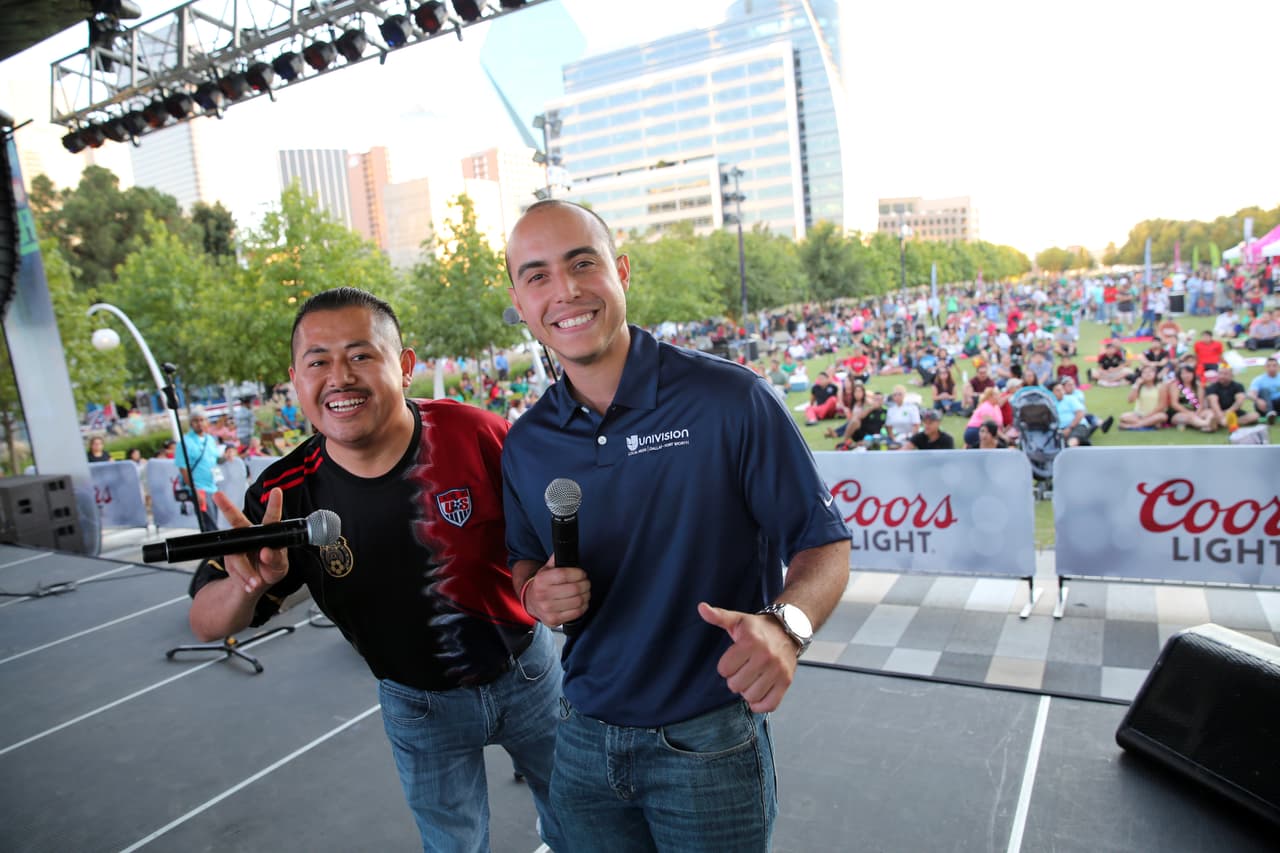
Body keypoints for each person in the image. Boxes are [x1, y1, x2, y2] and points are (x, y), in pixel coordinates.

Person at [500, 200, 851, 852]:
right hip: (577, 736)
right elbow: (523, 557)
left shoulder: (732, 400)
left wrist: (787, 626)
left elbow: (823, 543)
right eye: (537, 275)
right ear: (519, 302)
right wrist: (532, 592)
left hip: (708, 741)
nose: (565, 290)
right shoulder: (525, 444)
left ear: (621, 270)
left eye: (583, 264)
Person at [186, 288, 563, 852]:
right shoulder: (283, 495)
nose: (339, 377)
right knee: (452, 844)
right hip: (417, 706)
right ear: (296, 378)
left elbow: (554, 534)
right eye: (318, 361)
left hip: (528, 675)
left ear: (404, 366)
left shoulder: (476, 435)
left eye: (361, 355)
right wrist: (249, 585)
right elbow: (205, 622)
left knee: (584, 823)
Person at [180, 406, 225, 531]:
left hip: (213, 487)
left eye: (201, 420)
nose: (199, 423)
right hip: (199, 489)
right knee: (209, 525)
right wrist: (194, 491)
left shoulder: (210, 439)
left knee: (213, 521)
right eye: (196, 420)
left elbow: (216, 459)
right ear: (191, 423)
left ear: (206, 422)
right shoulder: (185, 442)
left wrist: (228, 456)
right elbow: (183, 469)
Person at [1206, 365, 1260, 431]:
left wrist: (1228, 413)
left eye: (1225, 374)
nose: (1222, 376)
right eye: (1220, 373)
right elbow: (1214, 403)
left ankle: (1225, 423)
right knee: (1211, 416)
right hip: (1217, 412)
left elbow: (1239, 402)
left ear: (1232, 375)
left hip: (1233, 412)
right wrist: (1221, 415)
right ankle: (1225, 422)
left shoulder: (1238, 386)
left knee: (1255, 416)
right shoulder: (1212, 387)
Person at [1118, 366, 1169, 430]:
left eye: (1151, 372)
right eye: (1145, 372)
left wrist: (1148, 416)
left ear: (1155, 374)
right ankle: (1149, 424)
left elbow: (1162, 405)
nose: (1148, 374)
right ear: (1141, 375)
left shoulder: (1161, 386)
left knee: (1163, 416)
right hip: (1139, 415)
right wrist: (1136, 385)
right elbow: (1130, 400)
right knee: (1123, 416)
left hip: (1154, 414)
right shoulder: (1139, 386)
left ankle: (1132, 426)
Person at [1247, 357, 1280, 425]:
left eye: (1274, 366)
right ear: (1265, 367)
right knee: (1264, 390)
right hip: (1264, 406)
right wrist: (1257, 400)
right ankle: (1270, 413)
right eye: (1269, 366)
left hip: (1277, 404)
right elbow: (1250, 394)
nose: (1272, 368)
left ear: (1278, 367)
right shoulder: (1259, 380)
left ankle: (1272, 414)